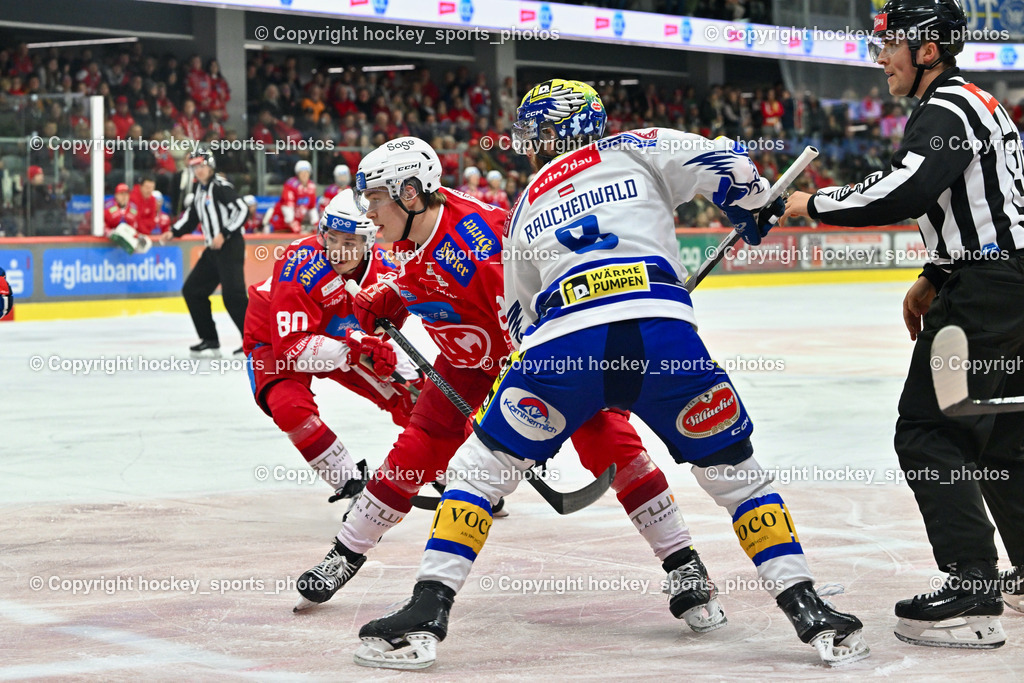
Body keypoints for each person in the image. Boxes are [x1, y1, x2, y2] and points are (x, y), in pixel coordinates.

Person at [354, 81, 868, 669]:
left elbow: (519, 318)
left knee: (478, 471)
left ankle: (427, 612)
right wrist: (751, 206)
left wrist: (559, 386)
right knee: (737, 478)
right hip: (663, 336)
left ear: (555, 133)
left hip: (564, 345)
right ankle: (808, 609)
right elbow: (726, 164)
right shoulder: (636, 146)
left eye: (535, 135)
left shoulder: (525, 206)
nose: (529, 147)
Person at [293, 137, 726, 637]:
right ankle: (345, 553)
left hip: (539, 356)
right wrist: (393, 292)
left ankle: (684, 564)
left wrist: (511, 413)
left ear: (409, 193)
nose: (368, 212)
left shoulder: (483, 247)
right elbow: (416, 272)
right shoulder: (410, 227)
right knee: (414, 451)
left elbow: (530, 325)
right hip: (465, 361)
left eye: (374, 199)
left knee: (609, 440)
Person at [784, 0, 1024, 648]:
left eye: (889, 45)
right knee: (1003, 437)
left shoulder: (946, 108)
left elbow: (906, 189)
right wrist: (936, 277)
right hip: (1011, 284)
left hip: (988, 292)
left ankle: (974, 591)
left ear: (927, 50)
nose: (880, 58)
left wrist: (812, 203)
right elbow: (987, 207)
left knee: (928, 429)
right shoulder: (979, 103)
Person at [242, 189, 422, 502]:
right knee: (289, 406)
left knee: (416, 396)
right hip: (274, 336)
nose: (337, 251)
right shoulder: (298, 263)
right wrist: (354, 350)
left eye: (349, 243)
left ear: (368, 242)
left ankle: (447, 468)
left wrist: (381, 353)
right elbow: (291, 348)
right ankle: (350, 482)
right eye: (332, 238)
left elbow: (381, 331)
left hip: (341, 338)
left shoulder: (386, 271)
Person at [159, 149, 249, 356]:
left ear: (211, 166)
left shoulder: (220, 187)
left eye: (202, 166)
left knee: (233, 296)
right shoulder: (200, 191)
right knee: (193, 290)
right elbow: (192, 216)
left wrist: (224, 233)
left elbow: (242, 209)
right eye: (194, 167)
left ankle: (254, 341)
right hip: (213, 249)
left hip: (230, 246)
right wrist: (173, 231)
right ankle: (209, 338)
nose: (198, 170)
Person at [266, 160, 319, 233]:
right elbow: (287, 206)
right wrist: (292, 223)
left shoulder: (311, 186)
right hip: (281, 223)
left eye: (306, 172)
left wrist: (316, 223)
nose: (304, 175)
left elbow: (312, 207)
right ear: (298, 174)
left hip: (296, 223)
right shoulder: (290, 185)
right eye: (302, 172)